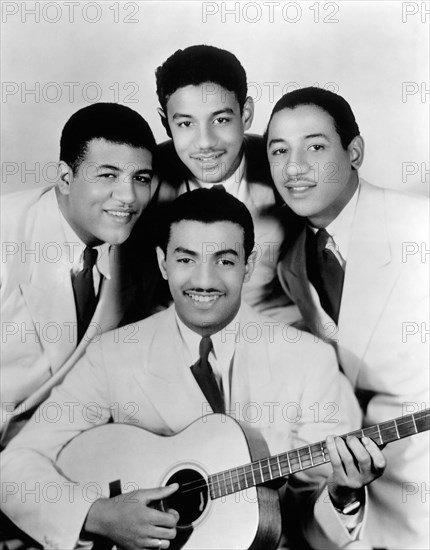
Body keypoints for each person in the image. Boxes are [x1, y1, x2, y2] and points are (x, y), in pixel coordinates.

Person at [1, 189, 386, 550]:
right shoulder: (113, 354)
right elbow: (12, 467)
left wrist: (343, 495)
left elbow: (309, 521)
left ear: (248, 265)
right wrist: (97, 514)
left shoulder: (308, 359)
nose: (204, 281)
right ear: (162, 263)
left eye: (224, 260)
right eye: (186, 259)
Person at [266, 87, 429, 549]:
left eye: (315, 147)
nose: (294, 168)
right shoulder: (292, 262)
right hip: (358, 494)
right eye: (279, 151)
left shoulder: (420, 226)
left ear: (353, 152)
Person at [0, 103, 160, 444]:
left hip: (54, 454)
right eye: (108, 175)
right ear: (65, 177)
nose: (129, 197)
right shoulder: (6, 236)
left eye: (140, 179)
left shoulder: (134, 255)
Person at [148, 44, 296, 321]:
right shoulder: (144, 180)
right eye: (185, 124)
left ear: (246, 114)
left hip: (277, 332)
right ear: (165, 123)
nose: (205, 142)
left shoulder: (285, 170)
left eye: (221, 119)